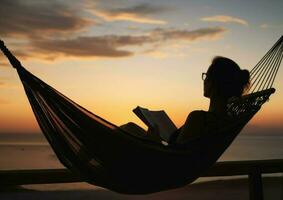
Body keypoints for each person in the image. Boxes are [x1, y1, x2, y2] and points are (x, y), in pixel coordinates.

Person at [120, 56, 250, 144]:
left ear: (214, 83)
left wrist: (153, 141)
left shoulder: (198, 118)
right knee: (130, 127)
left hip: (162, 166)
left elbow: (173, 155)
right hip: (184, 168)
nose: (204, 80)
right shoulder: (227, 120)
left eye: (206, 76)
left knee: (124, 130)